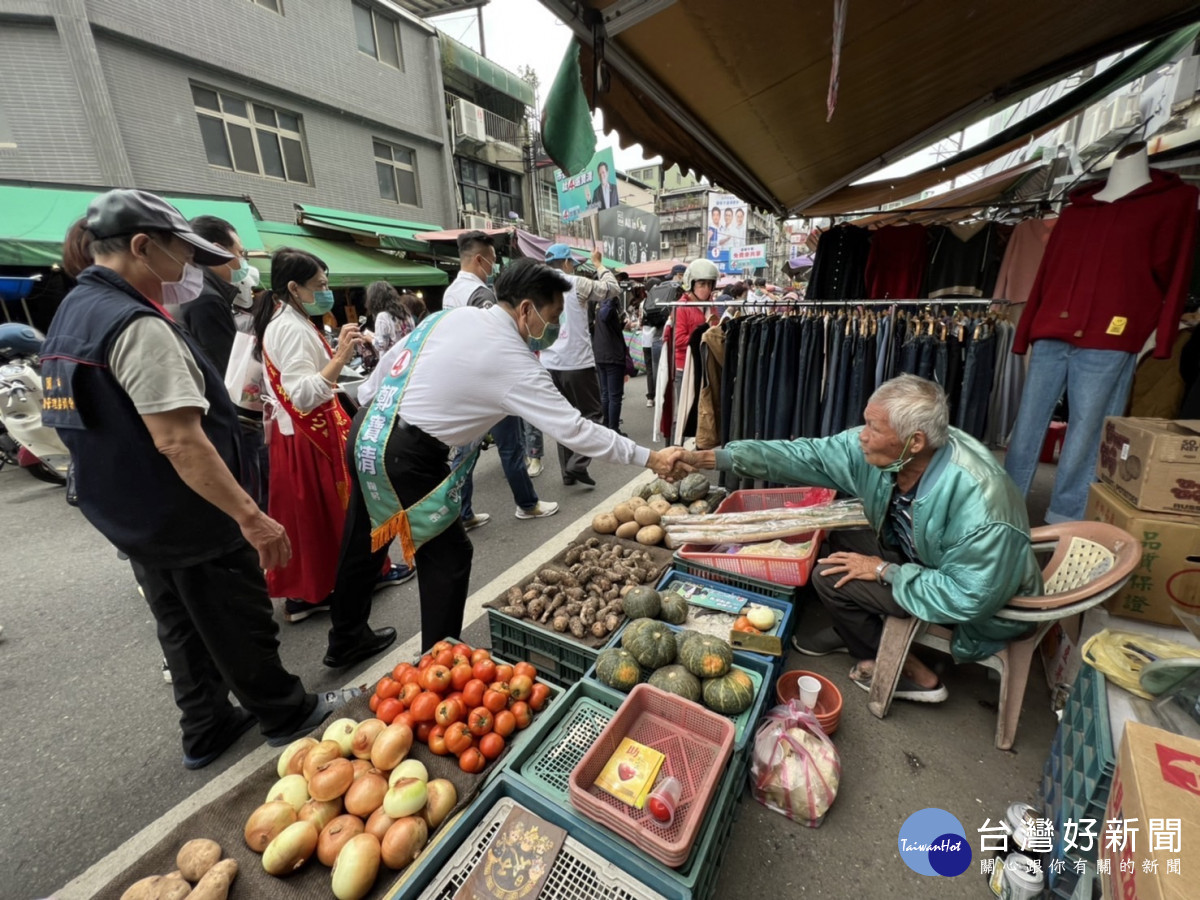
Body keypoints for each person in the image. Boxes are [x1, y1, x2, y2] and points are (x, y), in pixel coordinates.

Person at [40, 189, 352, 768]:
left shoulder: (72, 314)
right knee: (236, 611)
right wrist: (250, 517)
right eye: (180, 255)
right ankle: (286, 712)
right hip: (186, 508)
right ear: (141, 246)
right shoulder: (134, 323)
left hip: (131, 514)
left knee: (181, 624)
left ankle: (206, 724)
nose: (189, 271)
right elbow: (180, 440)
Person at [342, 259, 682, 647]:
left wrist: (369, 407)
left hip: (369, 427)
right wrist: (650, 458)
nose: (554, 329)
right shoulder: (513, 359)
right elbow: (576, 430)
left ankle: (346, 637)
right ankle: (439, 662)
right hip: (406, 453)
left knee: (363, 535)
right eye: (553, 317)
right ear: (525, 309)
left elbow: (391, 363)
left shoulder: (453, 317)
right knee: (449, 559)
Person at [676, 374, 1042, 703]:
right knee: (841, 535)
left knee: (830, 576)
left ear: (914, 442)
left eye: (872, 427)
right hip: (926, 556)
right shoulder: (898, 453)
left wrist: (884, 571)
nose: (861, 436)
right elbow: (804, 455)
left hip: (974, 599)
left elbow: (968, 597)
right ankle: (857, 626)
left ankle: (912, 672)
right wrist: (711, 459)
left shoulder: (982, 504)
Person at [253, 249, 404, 651]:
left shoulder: (295, 321)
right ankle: (325, 593)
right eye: (319, 285)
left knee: (319, 522)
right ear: (293, 287)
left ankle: (316, 592)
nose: (326, 293)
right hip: (310, 439)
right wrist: (340, 357)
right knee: (328, 519)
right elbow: (301, 394)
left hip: (309, 435)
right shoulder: (289, 328)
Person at [540, 244, 620, 486]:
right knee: (593, 415)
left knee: (564, 419)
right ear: (566, 263)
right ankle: (578, 462)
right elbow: (613, 289)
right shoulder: (577, 283)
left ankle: (568, 472)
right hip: (577, 363)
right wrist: (598, 264)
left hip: (548, 364)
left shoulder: (535, 288)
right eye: (572, 263)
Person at [180, 216, 246, 374]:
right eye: (240, 253)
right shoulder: (206, 300)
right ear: (219, 251)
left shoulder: (189, 288)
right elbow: (227, 370)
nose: (243, 260)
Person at [673, 259, 718, 382]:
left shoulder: (711, 306)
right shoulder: (682, 307)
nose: (707, 289)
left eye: (710, 284)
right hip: (685, 366)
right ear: (691, 284)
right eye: (702, 284)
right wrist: (704, 338)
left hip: (706, 363)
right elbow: (678, 340)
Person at [593, 291, 629, 432]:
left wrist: (619, 325)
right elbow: (605, 315)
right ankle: (613, 429)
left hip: (600, 352)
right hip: (612, 354)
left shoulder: (596, 302)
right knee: (614, 396)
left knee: (606, 394)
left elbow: (604, 322)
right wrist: (612, 299)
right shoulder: (607, 302)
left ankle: (607, 426)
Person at [365, 281, 416, 357]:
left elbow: (381, 345)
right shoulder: (406, 313)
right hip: (408, 356)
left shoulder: (382, 316)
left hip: (392, 361)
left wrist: (369, 338)